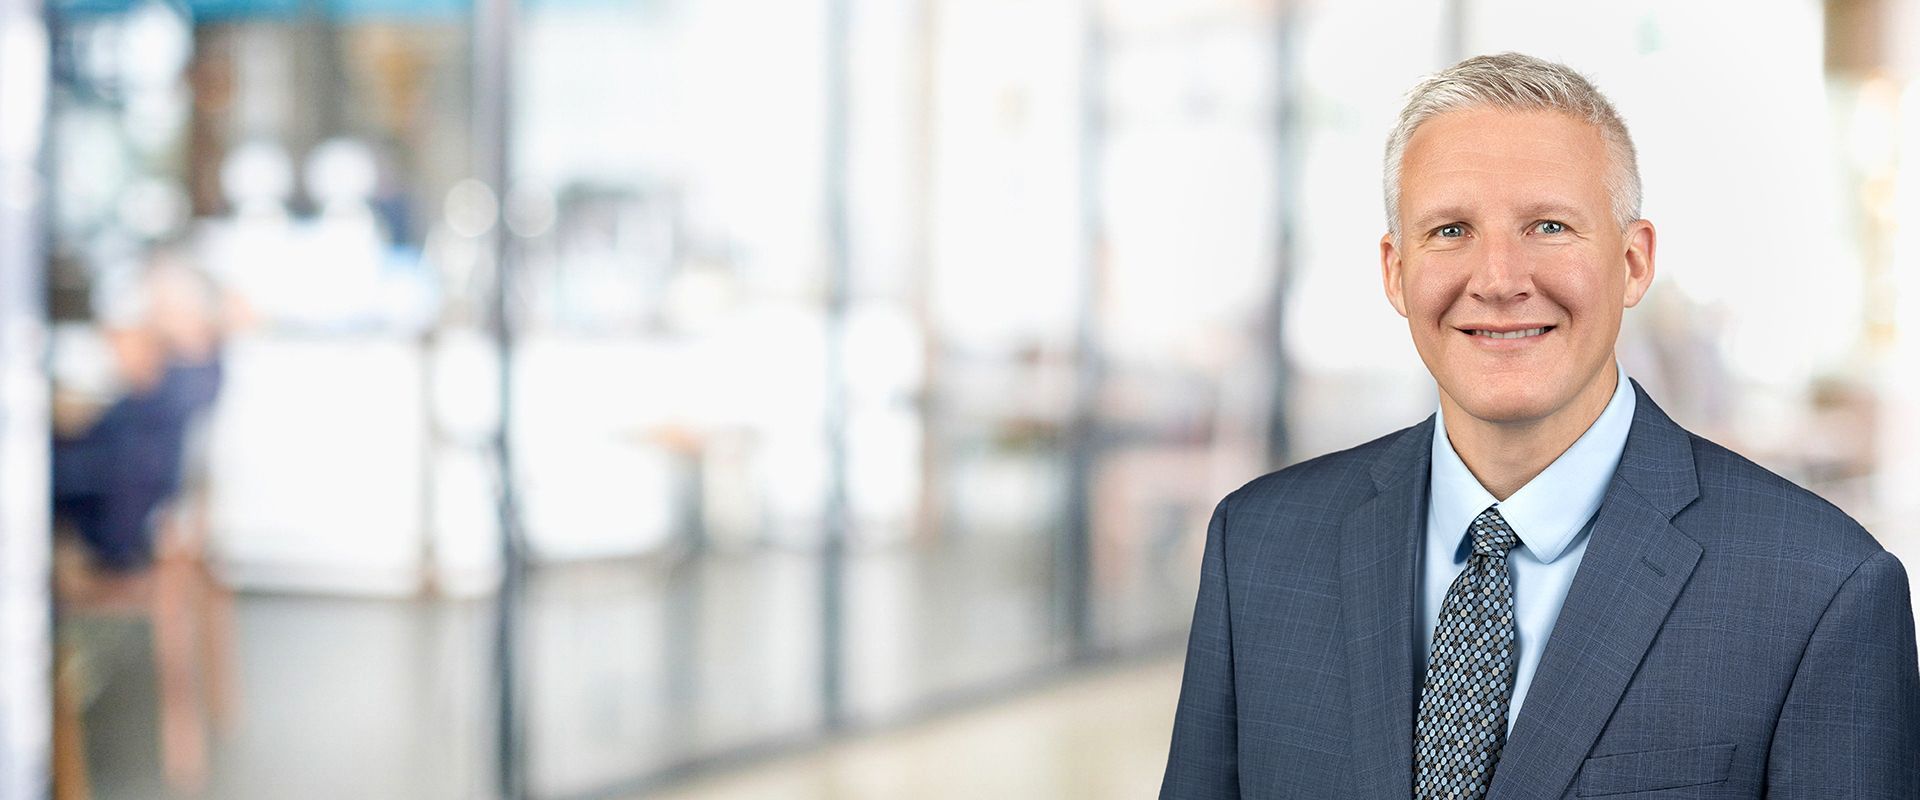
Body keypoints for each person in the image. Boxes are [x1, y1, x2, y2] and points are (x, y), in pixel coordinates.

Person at [1160, 53, 1920, 799]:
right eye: (1451, 230)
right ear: (1395, 271)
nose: (1497, 280)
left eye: (1549, 226)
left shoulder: (1824, 590)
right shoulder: (1255, 548)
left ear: (1633, 260)